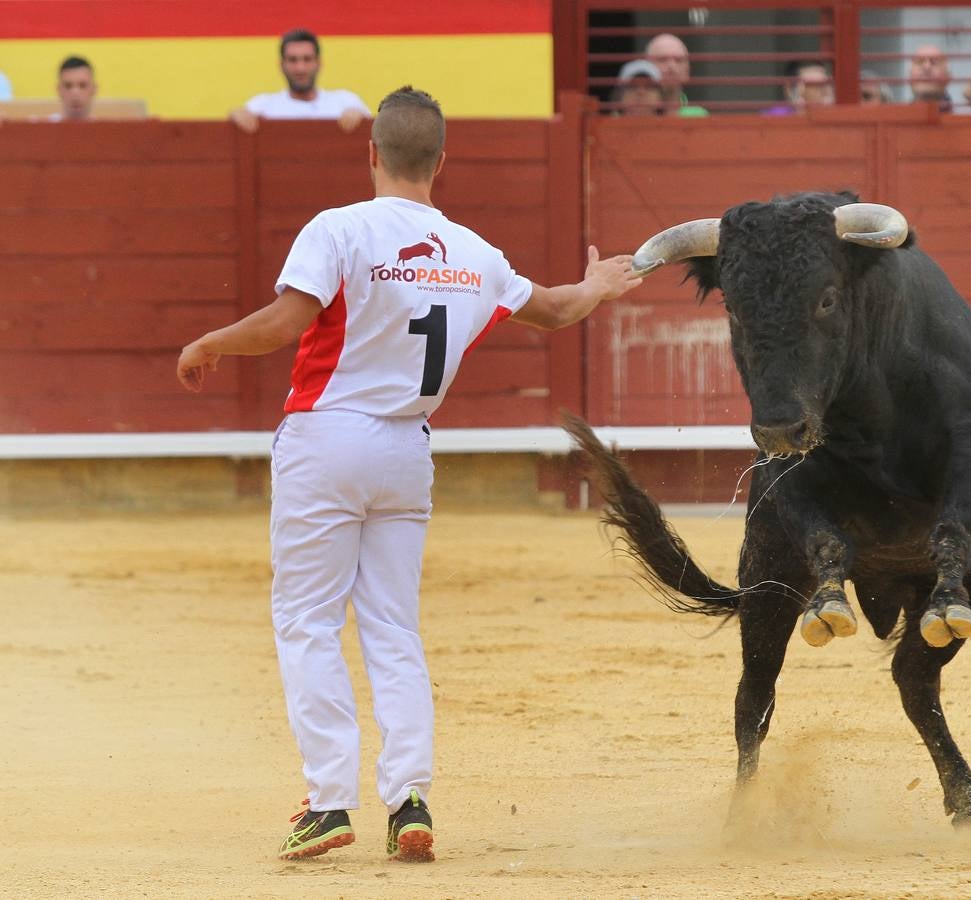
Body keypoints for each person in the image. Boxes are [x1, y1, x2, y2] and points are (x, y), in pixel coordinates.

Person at [177, 86, 642, 863]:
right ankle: (408, 798)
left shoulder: (341, 229)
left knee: (308, 621)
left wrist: (210, 343)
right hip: (405, 451)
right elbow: (556, 309)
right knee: (392, 627)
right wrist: (594, 287)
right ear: (441, 162)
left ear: (372, 154)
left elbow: (288, 321)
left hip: (327, 439)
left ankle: (328, 801)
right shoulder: (473, 252)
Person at [231, 29, 370, 133]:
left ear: (319, 63)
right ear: (281, 65)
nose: (300, 68)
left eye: (307, 59)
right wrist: (236, 116)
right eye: (293, 60)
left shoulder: (346, 102)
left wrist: (361, 116)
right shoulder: (262, 105)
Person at [644, 33, 708, 117]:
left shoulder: (699, 117)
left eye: (679, 60)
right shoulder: (627, 116)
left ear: (687, 70)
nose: (672, 67)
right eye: (662, 60)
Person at [908, 44, 953, 112]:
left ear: (948, 77)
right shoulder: (896, 119)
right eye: (920, 62)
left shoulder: (964, 120)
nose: (927, 67)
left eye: (934, 62)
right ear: (910, 77)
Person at [56, 56, 96, 120]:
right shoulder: (44, 129)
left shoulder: (105, 129)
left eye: (82, 85)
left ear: (94, 89)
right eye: (68, 86)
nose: (75, 93)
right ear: (59, 89)